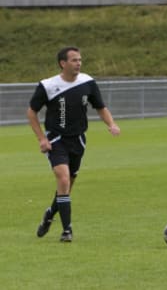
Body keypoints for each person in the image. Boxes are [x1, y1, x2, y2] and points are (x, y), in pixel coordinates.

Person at [27, 46, 120, 242]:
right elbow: (31, 112)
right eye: (74, 60)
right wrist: (42, 138)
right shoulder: (48, 85)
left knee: (67, 187)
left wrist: (111, 124)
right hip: (56, 139)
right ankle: (67, 230)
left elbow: (101, 107)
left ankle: (50, 214)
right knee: (63, 179)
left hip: (78, 140)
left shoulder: (88, 82)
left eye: (80, 60)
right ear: (63, 63)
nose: (78, 63)